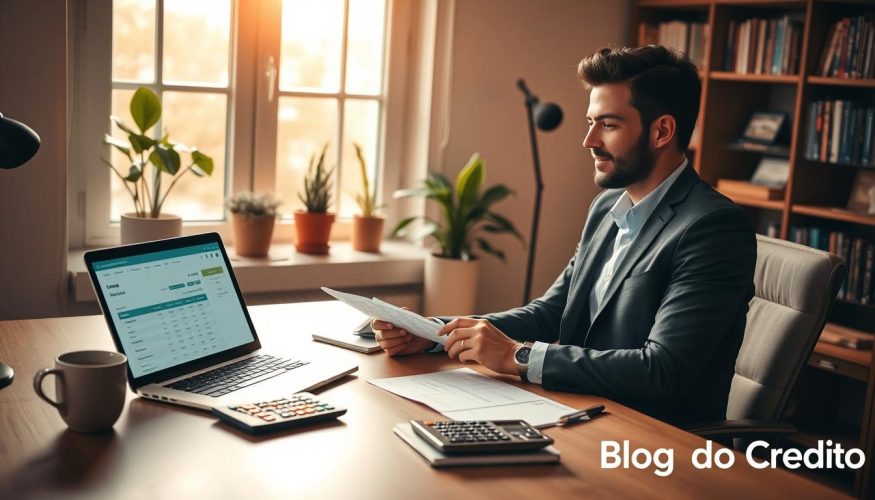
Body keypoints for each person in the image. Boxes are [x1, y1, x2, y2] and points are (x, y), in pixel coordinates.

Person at [373, 46, 756, 425]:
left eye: (608, 124)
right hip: (584, 410)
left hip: (652, 438)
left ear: (662, 131)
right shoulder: (607, 208)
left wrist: (517, 356)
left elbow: (661, 370)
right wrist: (435, 333)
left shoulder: (712, 228)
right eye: (590, 122)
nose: (588, 141)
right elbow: (552, 312)